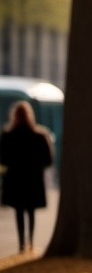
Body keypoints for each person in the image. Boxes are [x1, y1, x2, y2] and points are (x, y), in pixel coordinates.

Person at [0, 100, 55, 254]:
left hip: (15, 179)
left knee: (19, 211)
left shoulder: (8, 135)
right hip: (33, 179)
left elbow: (3, 159)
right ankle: (31, 241)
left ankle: (21, 244)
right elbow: (48, 159)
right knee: (30, 211)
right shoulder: (39, 135)